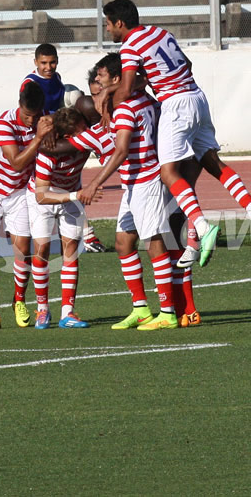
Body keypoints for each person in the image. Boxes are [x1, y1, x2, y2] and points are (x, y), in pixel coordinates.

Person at [94, 0, 251, 268]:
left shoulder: (129, 47)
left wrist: (108, 102)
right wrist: (124, 86)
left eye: (108, 24)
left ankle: (202, 227)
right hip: (197, 97)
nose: (107, 29)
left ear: (119, 23)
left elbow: (127, 89)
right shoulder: (160, 33)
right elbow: (184, 65)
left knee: (168, 173)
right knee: (211, 161)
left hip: (175, 105)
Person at [69, 54, 179, 330]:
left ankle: (167, 312)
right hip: (134, 183)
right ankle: (140, 309)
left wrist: (94, 183)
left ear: (117, 78)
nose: (97, 81)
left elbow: (120, 151)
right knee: (123, 242)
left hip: (145, 180)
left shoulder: (126, 107)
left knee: (153, 243)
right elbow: (143, 83)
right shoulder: (139, 97)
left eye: (102, 77)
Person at [0, 83, 52, 331]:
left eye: (35, 116)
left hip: (18, 192)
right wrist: (39, 137)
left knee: (22, 248)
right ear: (19, 105)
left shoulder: (44, 119)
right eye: (27, 116)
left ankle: (19, 300)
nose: (31, 121)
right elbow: (16, 162)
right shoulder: (3, 124)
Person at [27, 107, 104, 329]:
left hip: (71, 195)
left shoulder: (85, 141)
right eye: (82, 131)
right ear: (69, 137)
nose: (87, 133)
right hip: (45, 198)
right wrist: (75, 196)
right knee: (41, 249)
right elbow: (41, 196)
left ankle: (67, 313)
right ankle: (42, 309)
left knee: (70, 250)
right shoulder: (48, 153)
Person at [79, 66, 108, 254]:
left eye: (100, 94)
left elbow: (120, 154)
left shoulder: (124, 113)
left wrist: (94, 184)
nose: (97, 101)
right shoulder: (95, 128)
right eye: (93, 95)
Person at [20, 43, 64, 115]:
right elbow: (26, 112)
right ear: (36, 62)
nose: (49, 67)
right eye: (44, 63)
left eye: (52, 62)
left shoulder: (56, 76)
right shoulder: (29, 83)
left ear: (57, 60)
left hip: (59, 117)